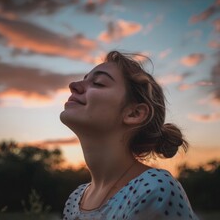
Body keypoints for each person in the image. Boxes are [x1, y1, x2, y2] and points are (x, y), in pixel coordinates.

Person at [60, 51, 198, 220]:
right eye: (84, 79)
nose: (74, 85)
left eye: (98, 83)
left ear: (134, 113)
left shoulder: (155, 189)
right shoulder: (75, 199)